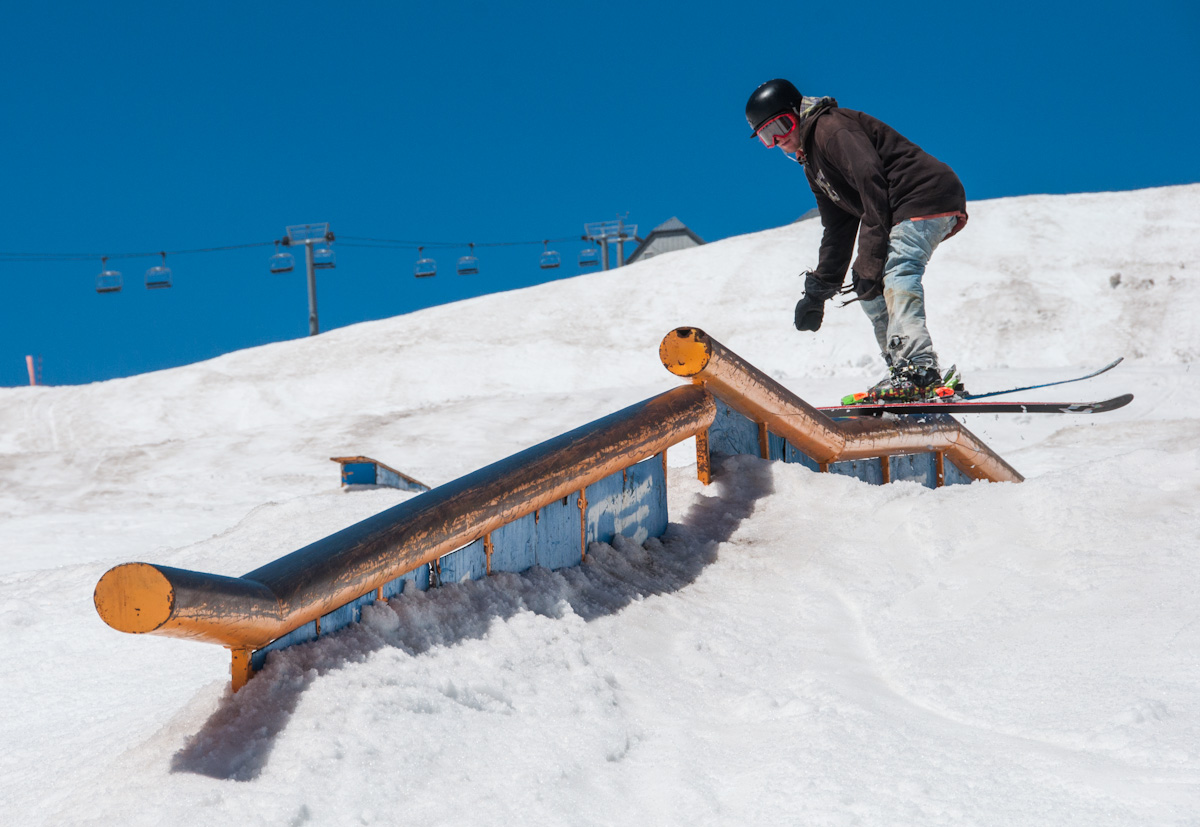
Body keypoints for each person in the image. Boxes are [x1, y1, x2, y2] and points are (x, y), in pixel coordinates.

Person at [745, 78, 968, 398]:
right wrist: (817, 292)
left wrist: (871, 257)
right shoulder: (813, 166)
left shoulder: (829, 129)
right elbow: (837, 229)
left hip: (922, 194)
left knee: (896, 271)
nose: (779, 139)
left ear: (798, 112)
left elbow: (871, 183)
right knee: (868, 286)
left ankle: (918, 369)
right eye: (768, 136)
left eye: (782, 125)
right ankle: (904, 371)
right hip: (898, 208)